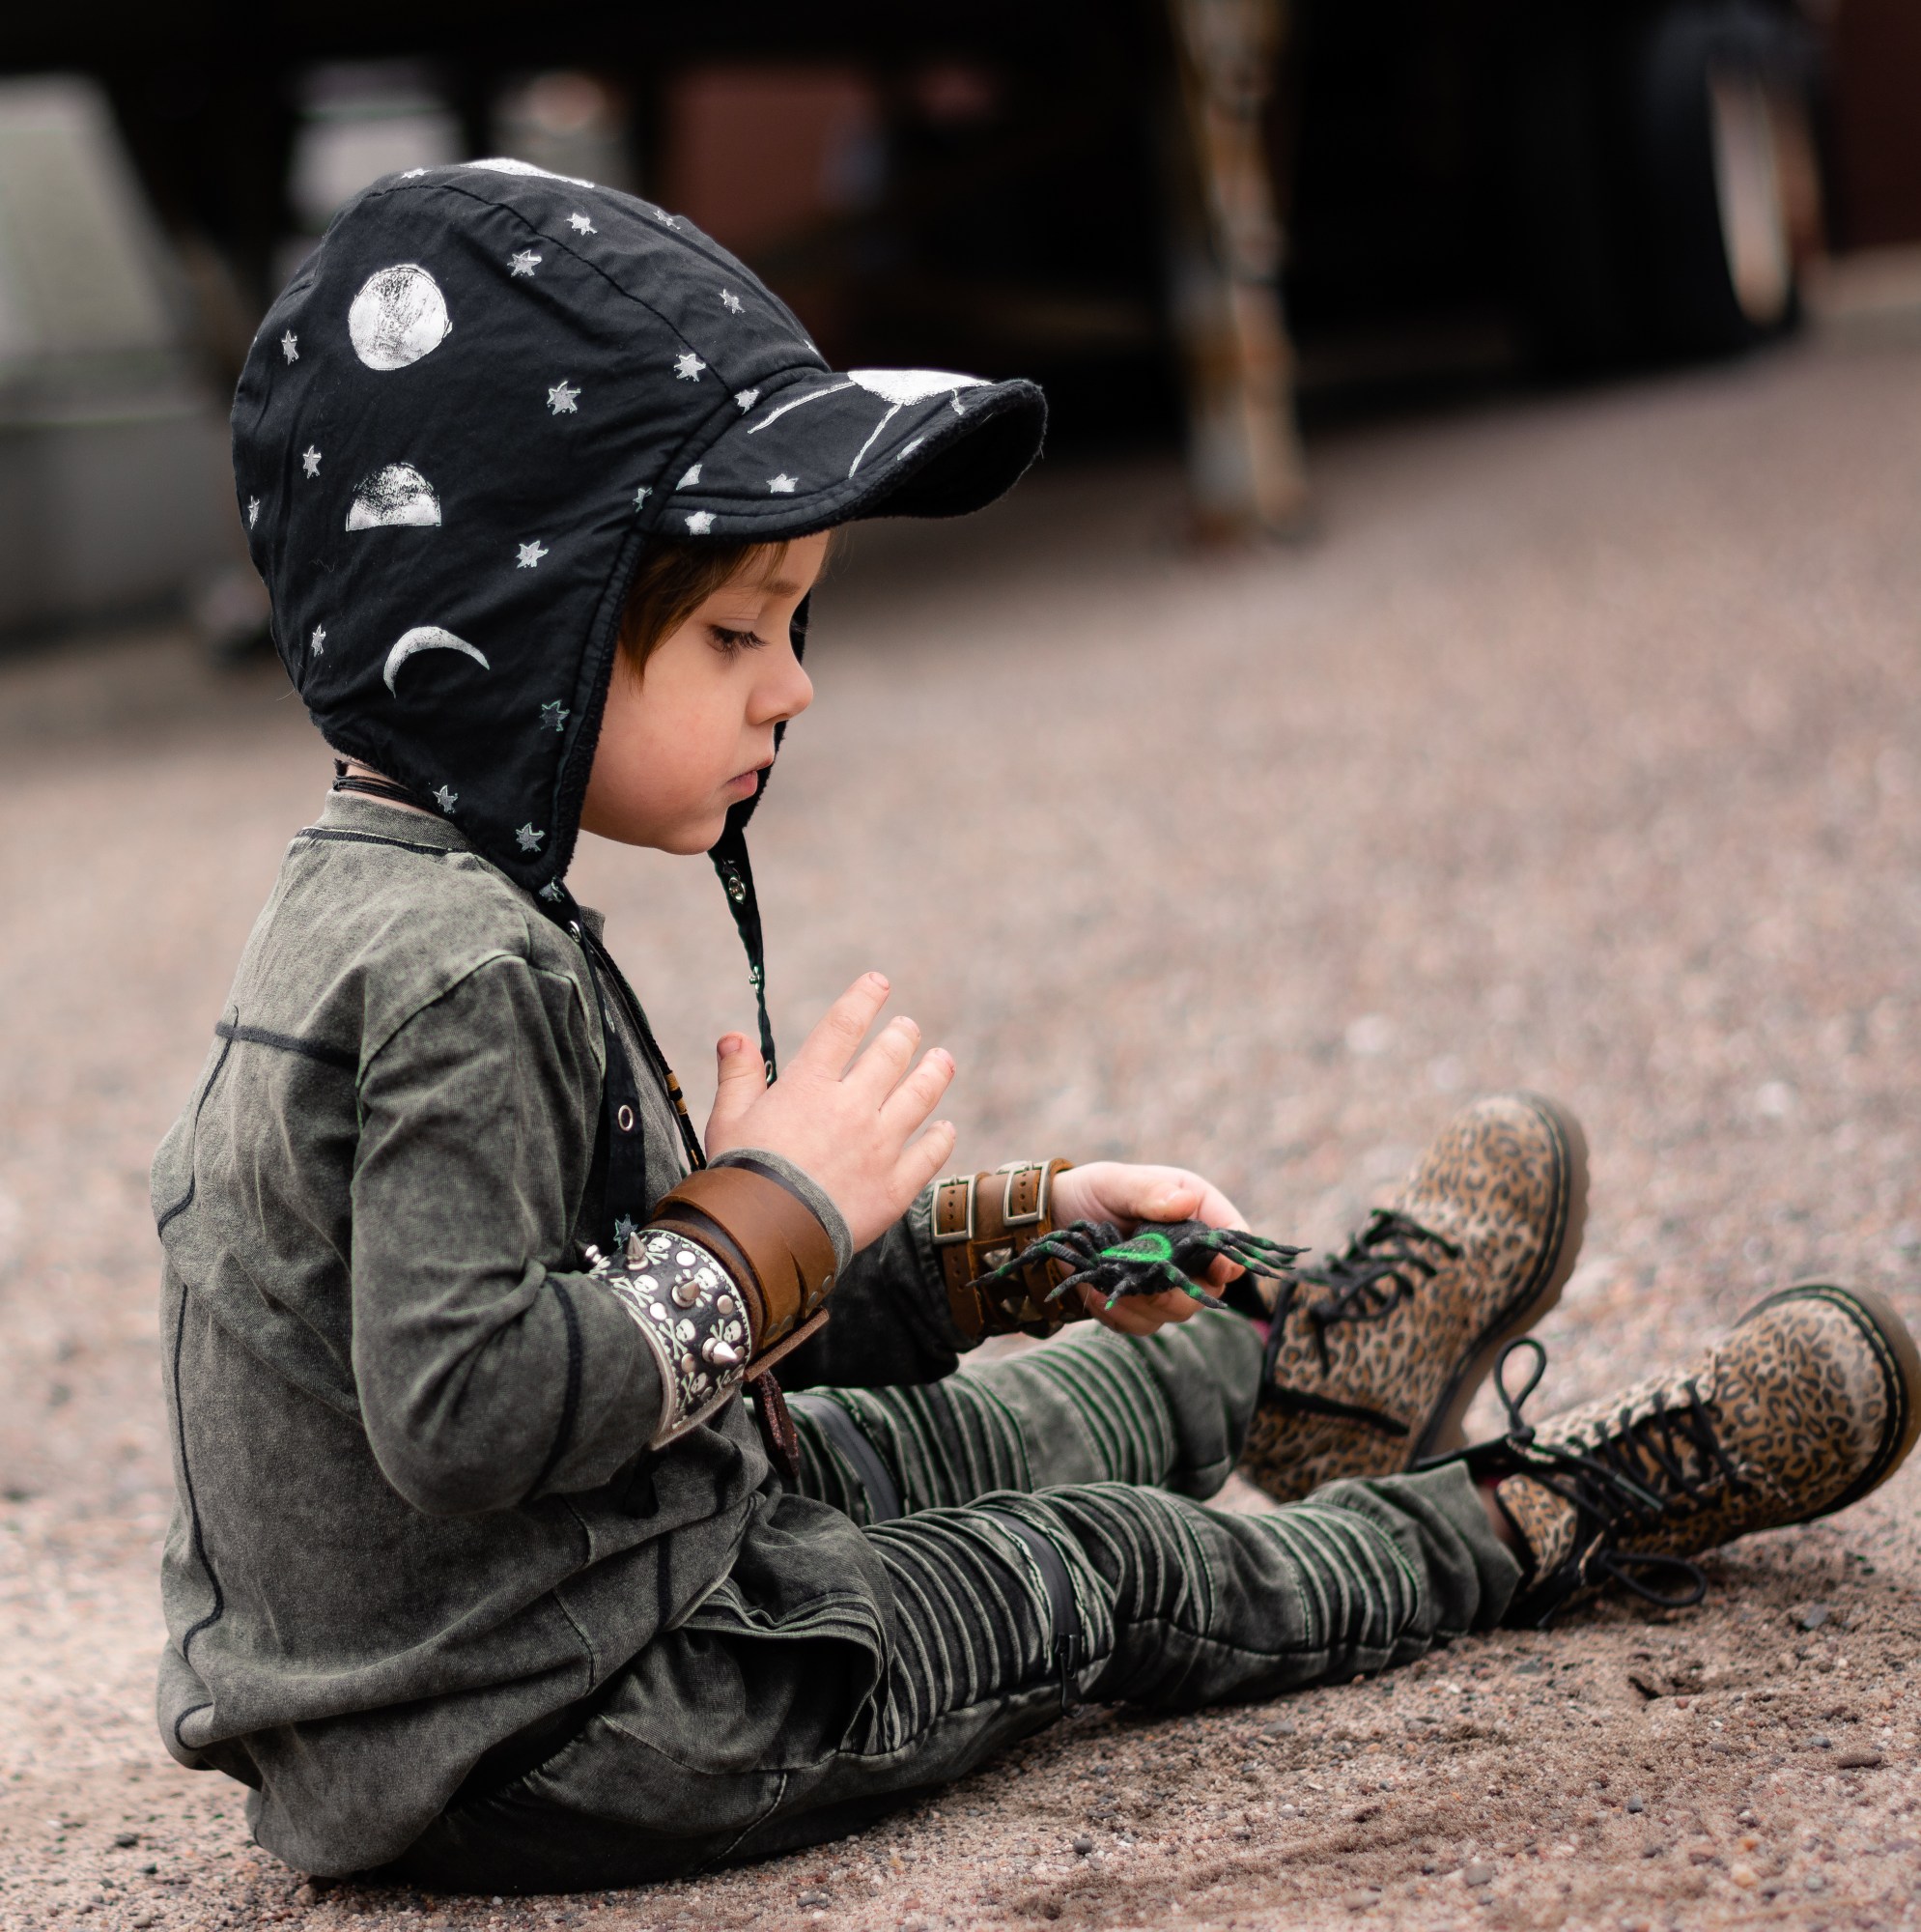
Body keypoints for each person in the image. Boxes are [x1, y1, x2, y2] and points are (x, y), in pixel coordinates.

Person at [153, 160, 1921, 1895]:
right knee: (1099, 1564)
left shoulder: (424, 911)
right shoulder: (460, 979)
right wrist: (766, 1209)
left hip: (592, 1581)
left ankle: (1301, 1353)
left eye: (800, 623)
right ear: (507, 640)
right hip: (556, 1722)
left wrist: (1010, 1251)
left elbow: (642, 1333)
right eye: (738, 634)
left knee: (1021, 1416)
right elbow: (470, 1413)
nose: (795, 684)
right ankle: (1542, 1517)